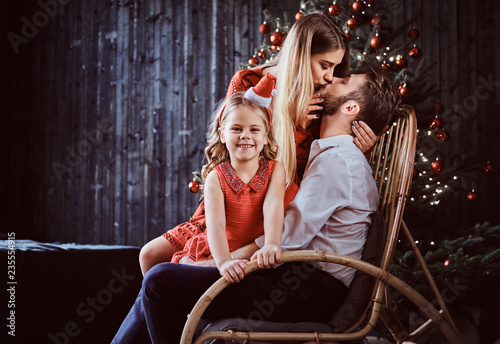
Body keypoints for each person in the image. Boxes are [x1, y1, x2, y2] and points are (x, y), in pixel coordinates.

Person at [111, 65, 403, 344]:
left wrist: (211, 264)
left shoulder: (338, 161)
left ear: (350, 108)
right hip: (292, 276)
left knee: (160, 280)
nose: (331, 80)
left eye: (343, 81)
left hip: (307, 290)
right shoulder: (329, 153)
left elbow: (288, 237)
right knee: (160, 279)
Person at [139, 11, 379, 274]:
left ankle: (193, 304)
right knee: (150, 255)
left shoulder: (322, 99)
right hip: (231, 199)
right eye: (324, 65)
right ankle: (182, 310)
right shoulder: (248, 83)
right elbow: (230, 152)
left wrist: (357, 147)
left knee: (173, 268)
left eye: (335, 68)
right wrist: (286, 121)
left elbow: (320, 170)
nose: (330, 77)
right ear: (300, 56)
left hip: (274, 212)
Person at [170, 74, 286, 283]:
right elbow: (215, 225)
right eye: (236, 129)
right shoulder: (216, 177)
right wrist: (223, 262)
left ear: (265, 135)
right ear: (222, 135)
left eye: (254, 129)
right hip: (218, 254)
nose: (246, 135)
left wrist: (271, 243)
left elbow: (273, 206)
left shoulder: (275, 170)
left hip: (251, 255)